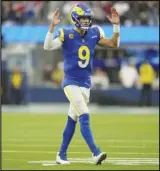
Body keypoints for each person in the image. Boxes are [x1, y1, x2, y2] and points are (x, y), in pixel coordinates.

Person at [44, 4, 120, 165]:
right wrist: (52, 28)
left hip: (85, 84)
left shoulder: (94, 32)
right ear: (75, 19)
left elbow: (114, 44)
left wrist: (116, 25)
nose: (86, 21)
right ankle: (96, 153)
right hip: (71, 82)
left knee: (72, 119)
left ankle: (61, 155)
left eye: (87, 18)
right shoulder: (66, 34)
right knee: (84, 115)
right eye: (83, 18)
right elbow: (48, 46)